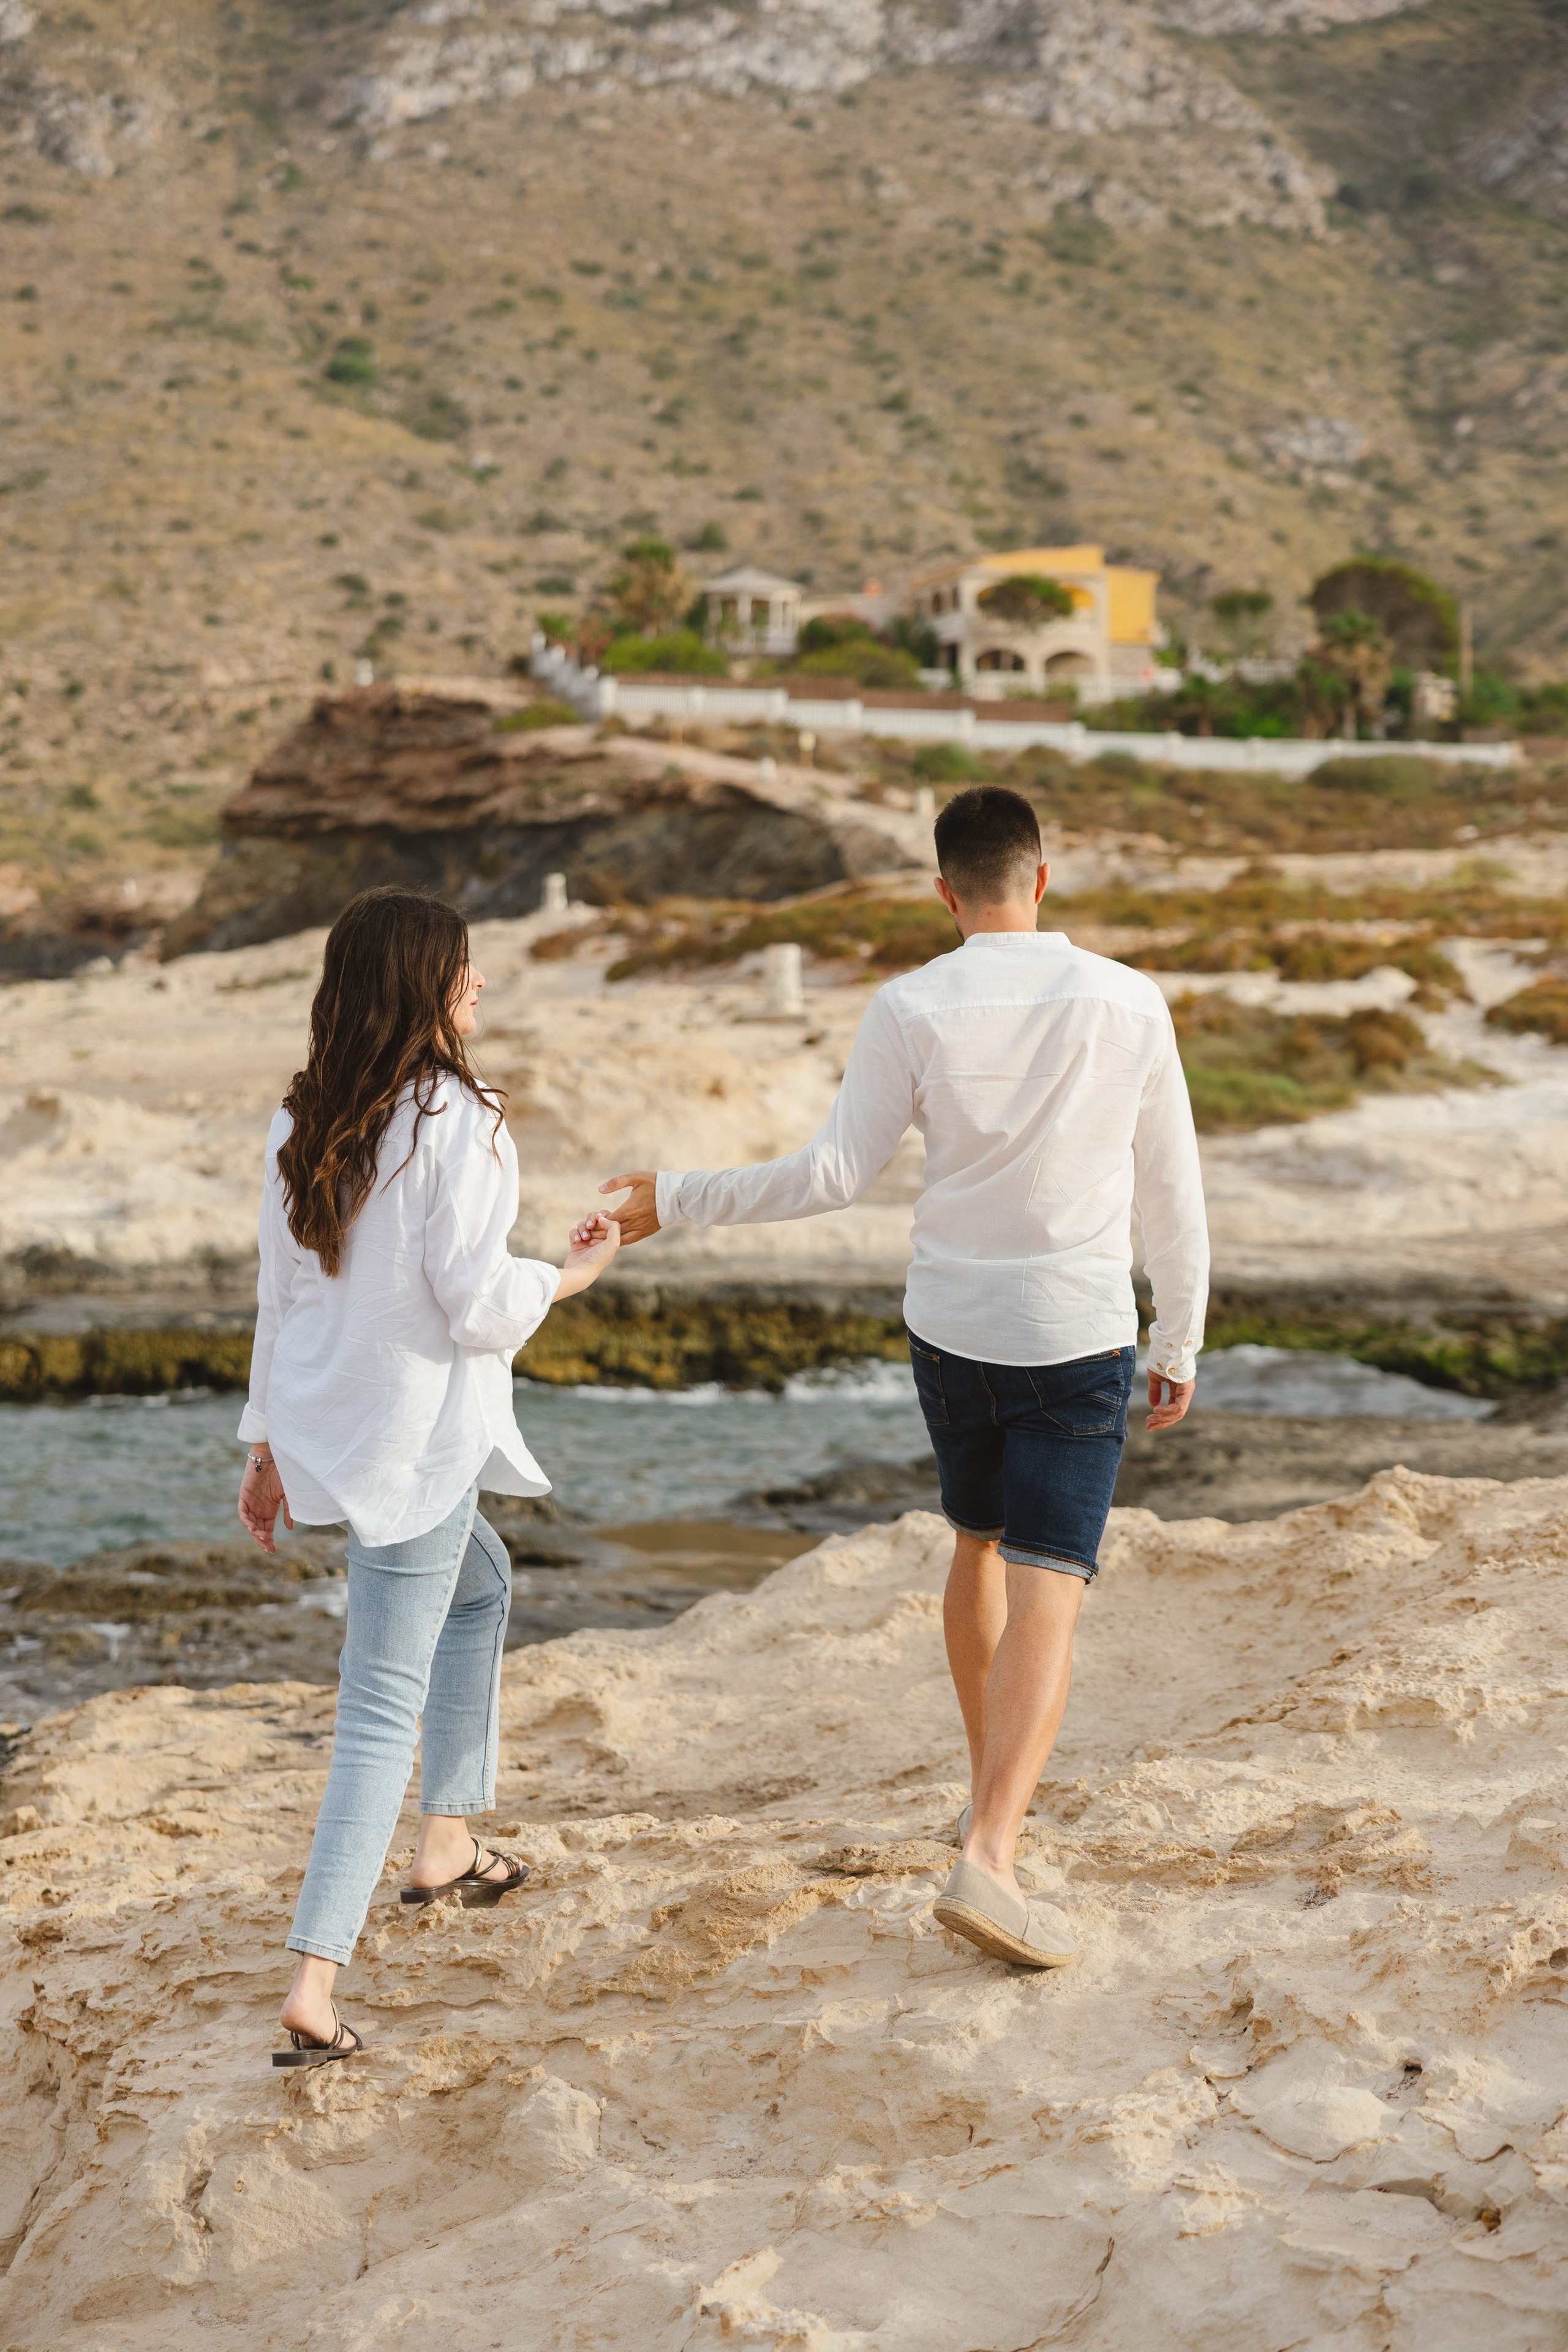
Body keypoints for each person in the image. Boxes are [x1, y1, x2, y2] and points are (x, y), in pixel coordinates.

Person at [591, 786, 1207, 1970]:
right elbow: (1171, 1187)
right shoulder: (1131, 1002)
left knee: (977, 1546)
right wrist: (1178, 1338)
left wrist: (677, 1196)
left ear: (944, 891)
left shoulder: (911, 1004)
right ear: (1043, 877)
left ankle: (990, 1808)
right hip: (1077, 1335)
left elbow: (830, 1175)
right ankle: (991, 1845)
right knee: (1051, 1589)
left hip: (954, 1333)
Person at [236, 886, 620, 2067]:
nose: (481, 985)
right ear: (425, 984)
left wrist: (262, 1444)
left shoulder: (307, 1115)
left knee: (484, 1585)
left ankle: (447, 1841)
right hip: (413, 1439)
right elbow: (472, 1302)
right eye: (466, 969)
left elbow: (284, 1293)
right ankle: (314, 1981)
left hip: (337, 1416)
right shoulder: (462, 1117)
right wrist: (568, 1277)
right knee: (375, 1709)